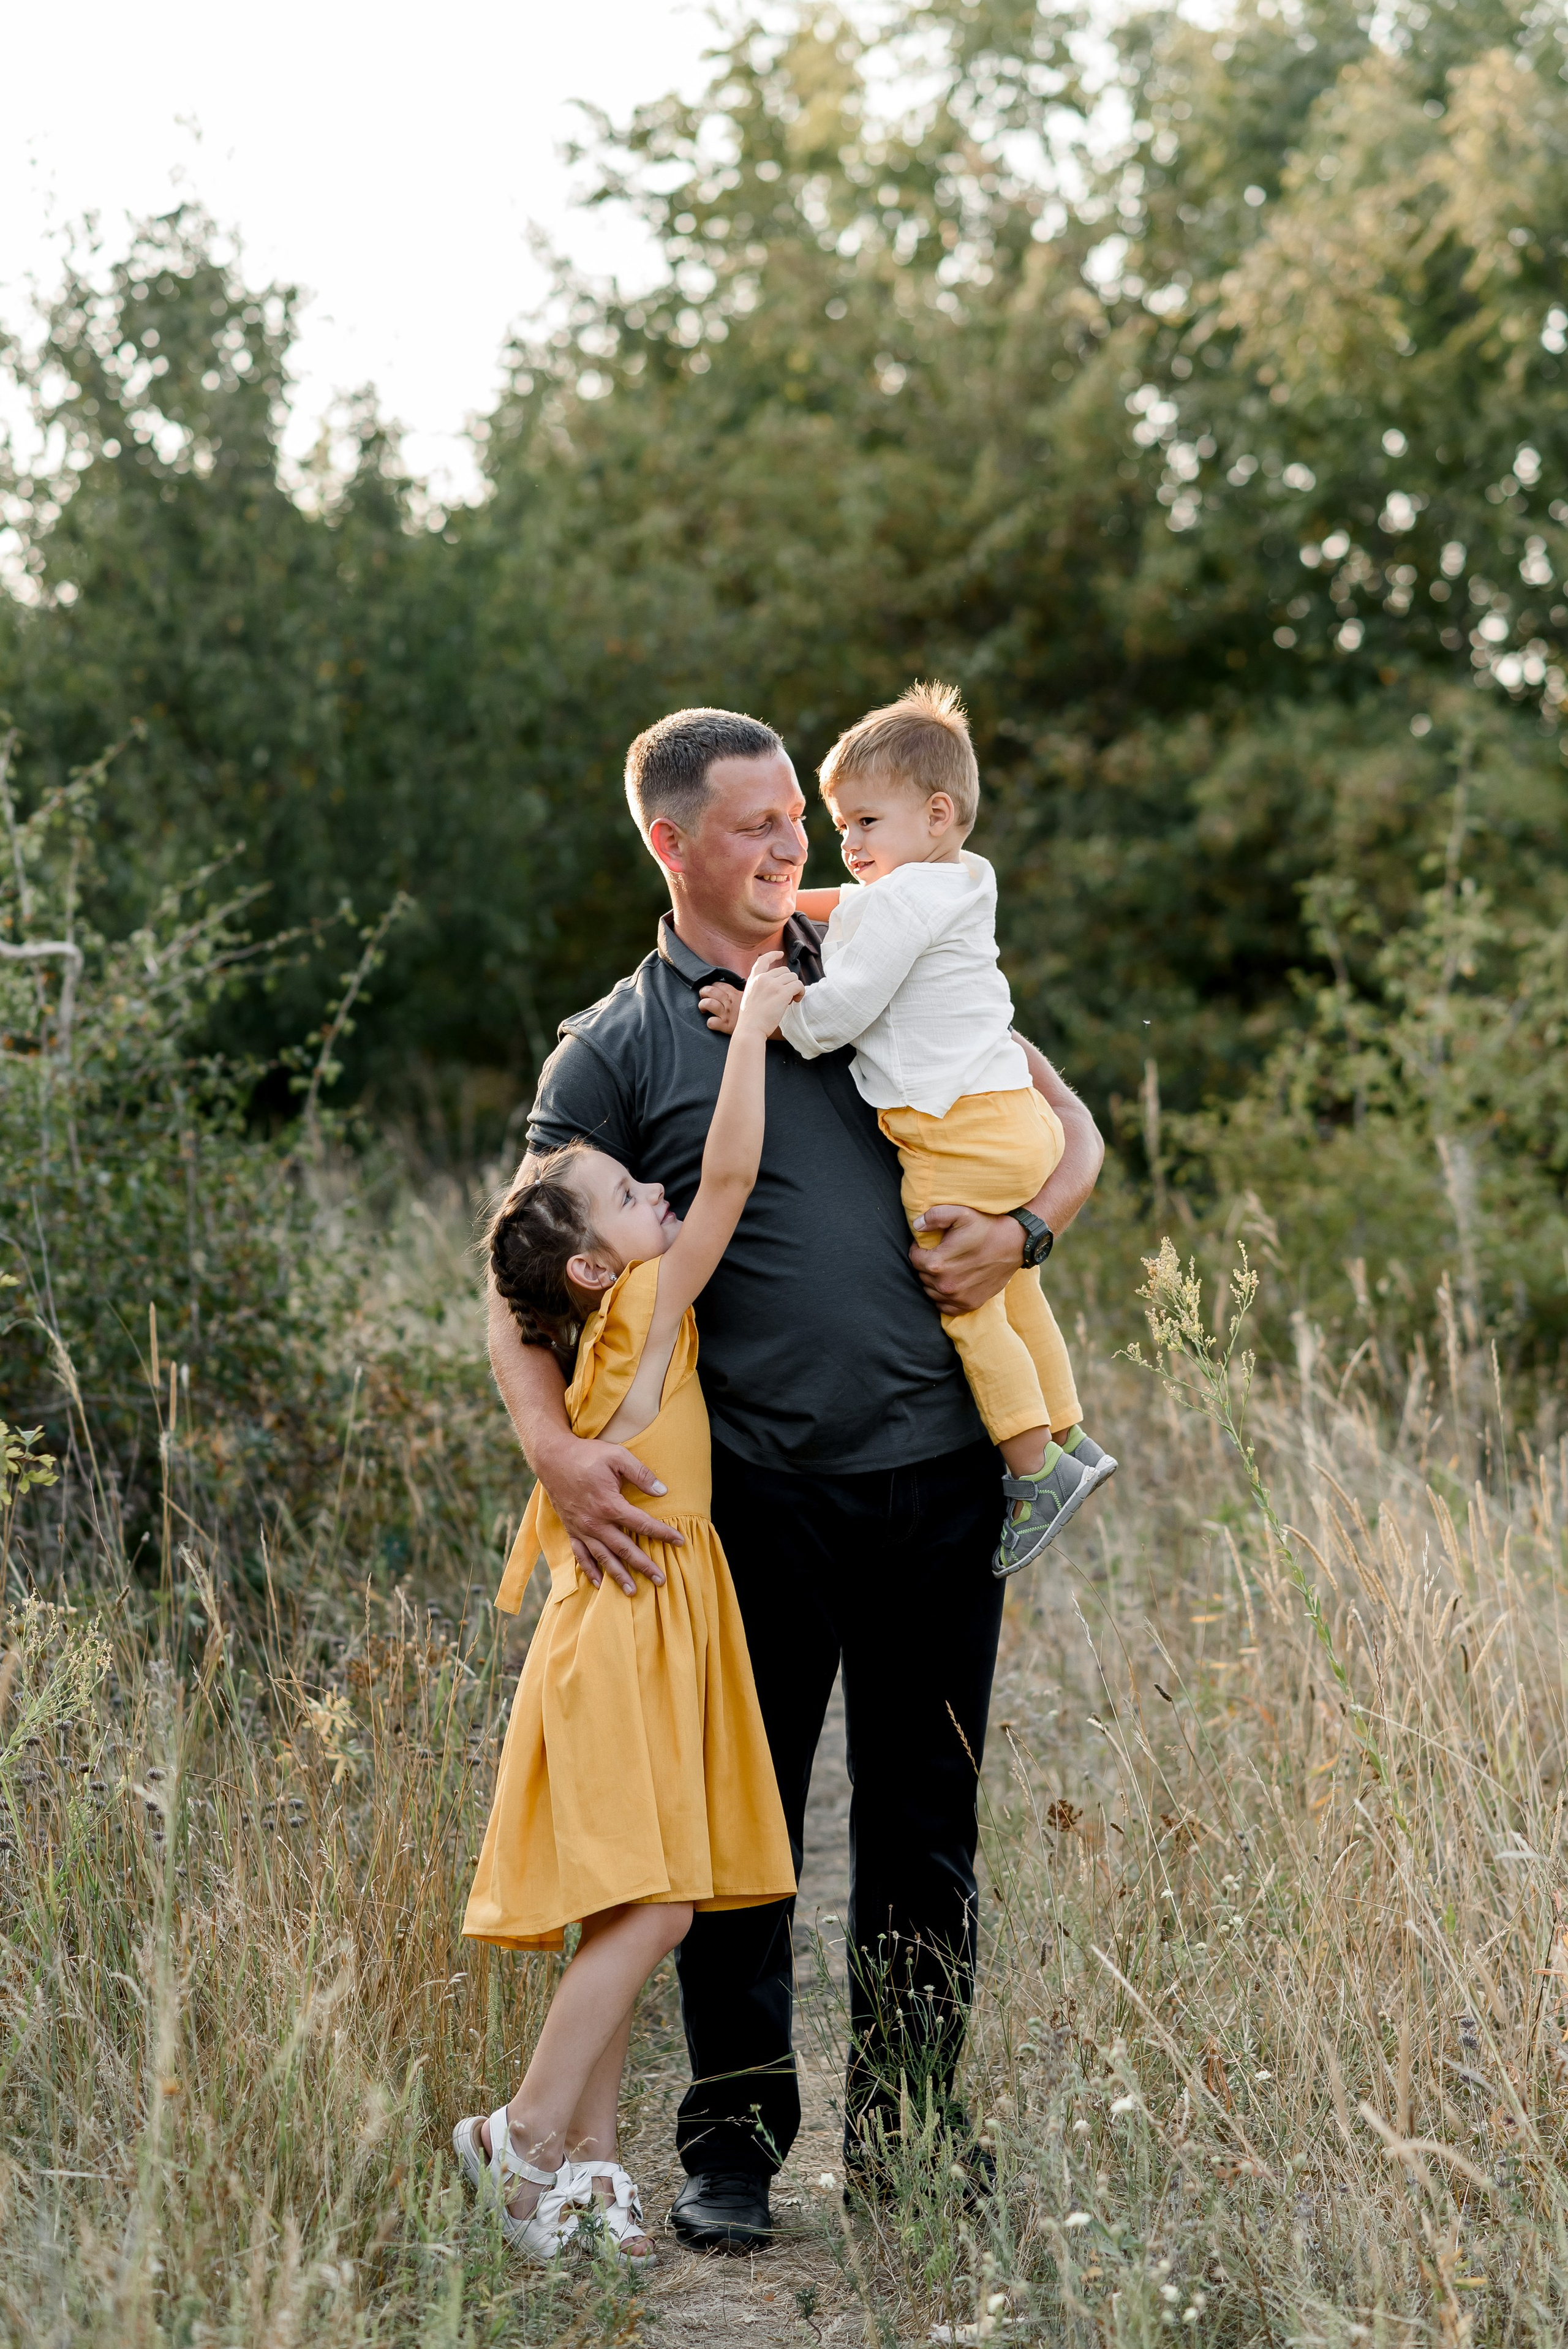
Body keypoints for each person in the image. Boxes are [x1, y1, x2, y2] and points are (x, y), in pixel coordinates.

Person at [487, 706, 1105, 2249]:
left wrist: (1027, 1233)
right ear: (670, 841)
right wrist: (558, 1454)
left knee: (922, 1830)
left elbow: (1066, 1120)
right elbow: (506, 1277)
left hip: (946, 1481)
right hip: (753, 1498)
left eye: (796, 820)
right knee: (734, 1839)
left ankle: (908, 2144)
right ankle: (732, 2152)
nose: (789, 848)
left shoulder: (882, 947)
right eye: (754, 825)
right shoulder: (619, 1044)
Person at [453, 950, 802, 2266]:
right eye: (620, 1193)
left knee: (627, 1902)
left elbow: (672, 1195)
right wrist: (754, 1031)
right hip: (630, 1633)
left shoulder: (600, 1318)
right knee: (658, 1907)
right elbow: (723, 1179)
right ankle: (527, 2133)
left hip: (630, 1628)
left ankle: (585, 2184)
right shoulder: (650, 1299)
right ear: (599, 1269)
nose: (647, 1188)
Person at [700, 682, 1116, 1576]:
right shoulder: (959, 879)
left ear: (935, 814)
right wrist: (792, 904)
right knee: (1015, 1292)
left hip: (954, 1135)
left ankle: (1034, 1469)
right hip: (1013, 1118)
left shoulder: (896, 903)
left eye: (864, 825)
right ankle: (1073, 1434)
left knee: (964, 1299)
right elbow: (853, 909)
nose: (848, 846)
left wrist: (762, 1015)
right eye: (842, 827)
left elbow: (843, 1008)